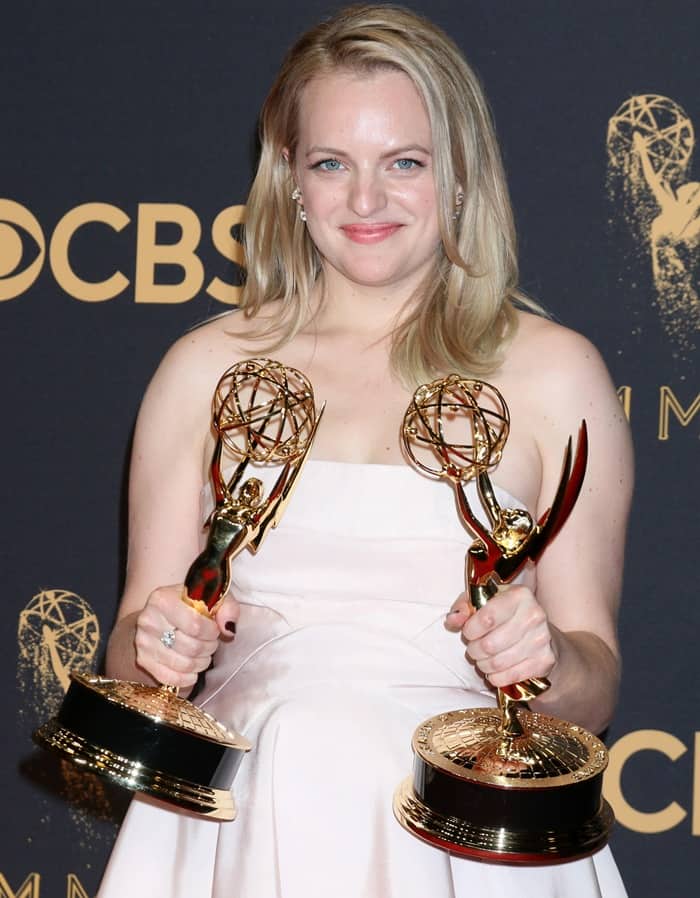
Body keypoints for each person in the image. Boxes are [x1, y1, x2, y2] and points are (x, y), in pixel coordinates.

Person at [97, 5, 633, 896]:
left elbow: (594, 685)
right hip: (245, 818)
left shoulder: (554, 374)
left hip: (465, 840)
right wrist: (156, 643)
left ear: (459, 176)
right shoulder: (206, 371)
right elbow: (129, 654)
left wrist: (544, 661)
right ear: (291, 181)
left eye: (406, 163)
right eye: (332, 163)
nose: (367, 200)